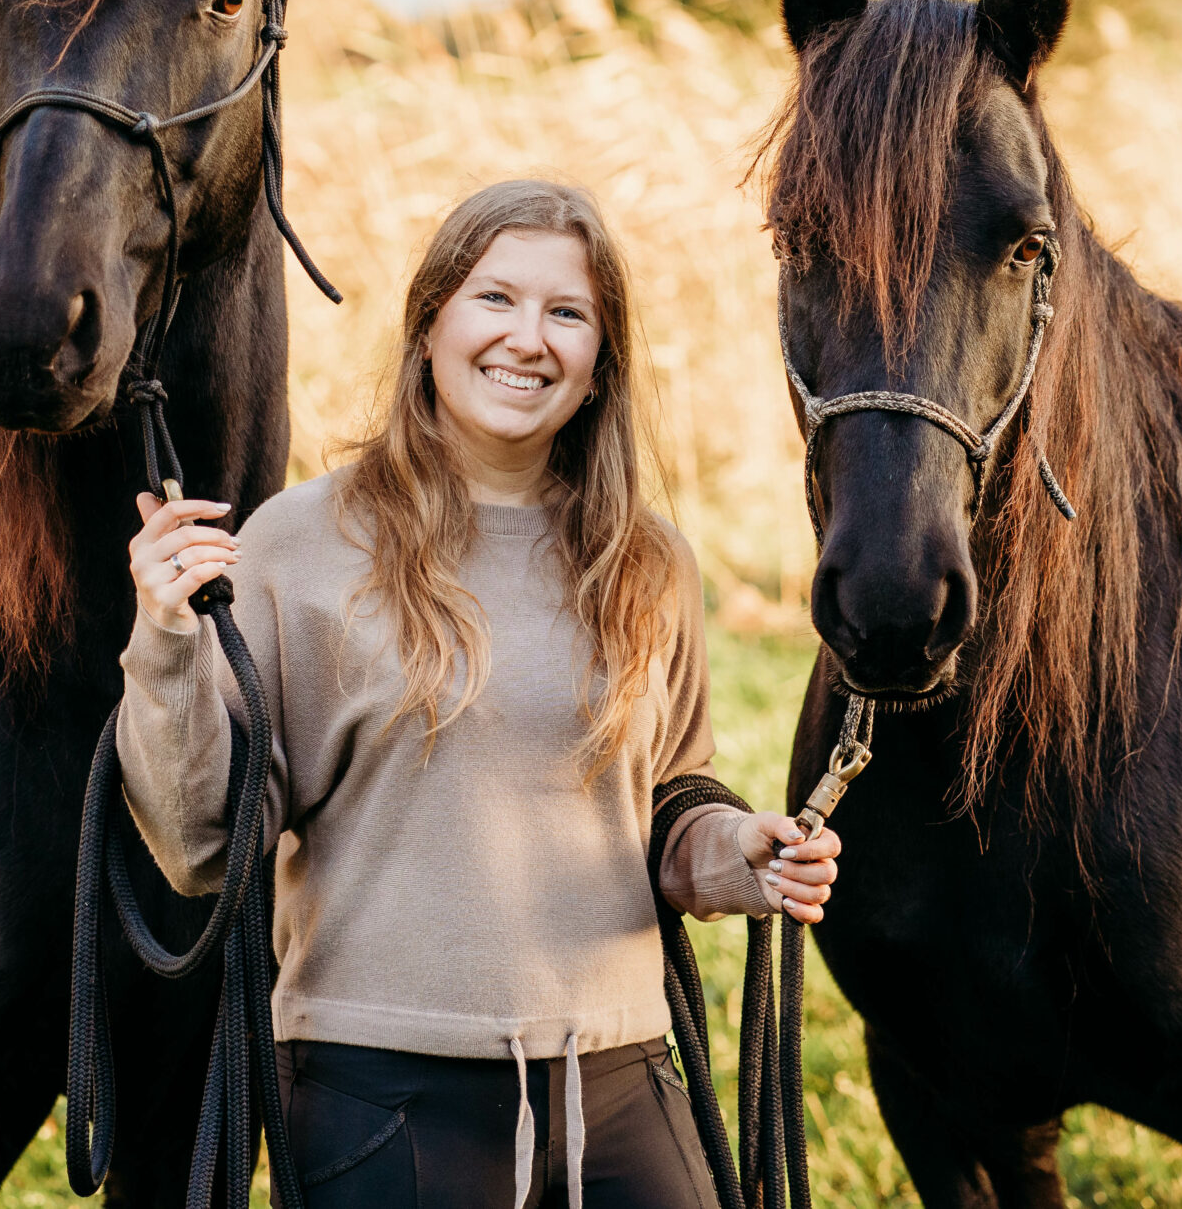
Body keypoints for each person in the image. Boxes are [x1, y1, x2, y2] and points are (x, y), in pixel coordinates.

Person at [120, 178, 843, 1209]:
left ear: (599, 367)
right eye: (494, 299)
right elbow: (201, 845)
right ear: (428, 327)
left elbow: (673, 792)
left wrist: (743, 854)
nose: (528, 338)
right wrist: (165, 637)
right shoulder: (299, 544)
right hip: (381, 1088)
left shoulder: (648, 562)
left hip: (620, 1076)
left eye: (567, 313)